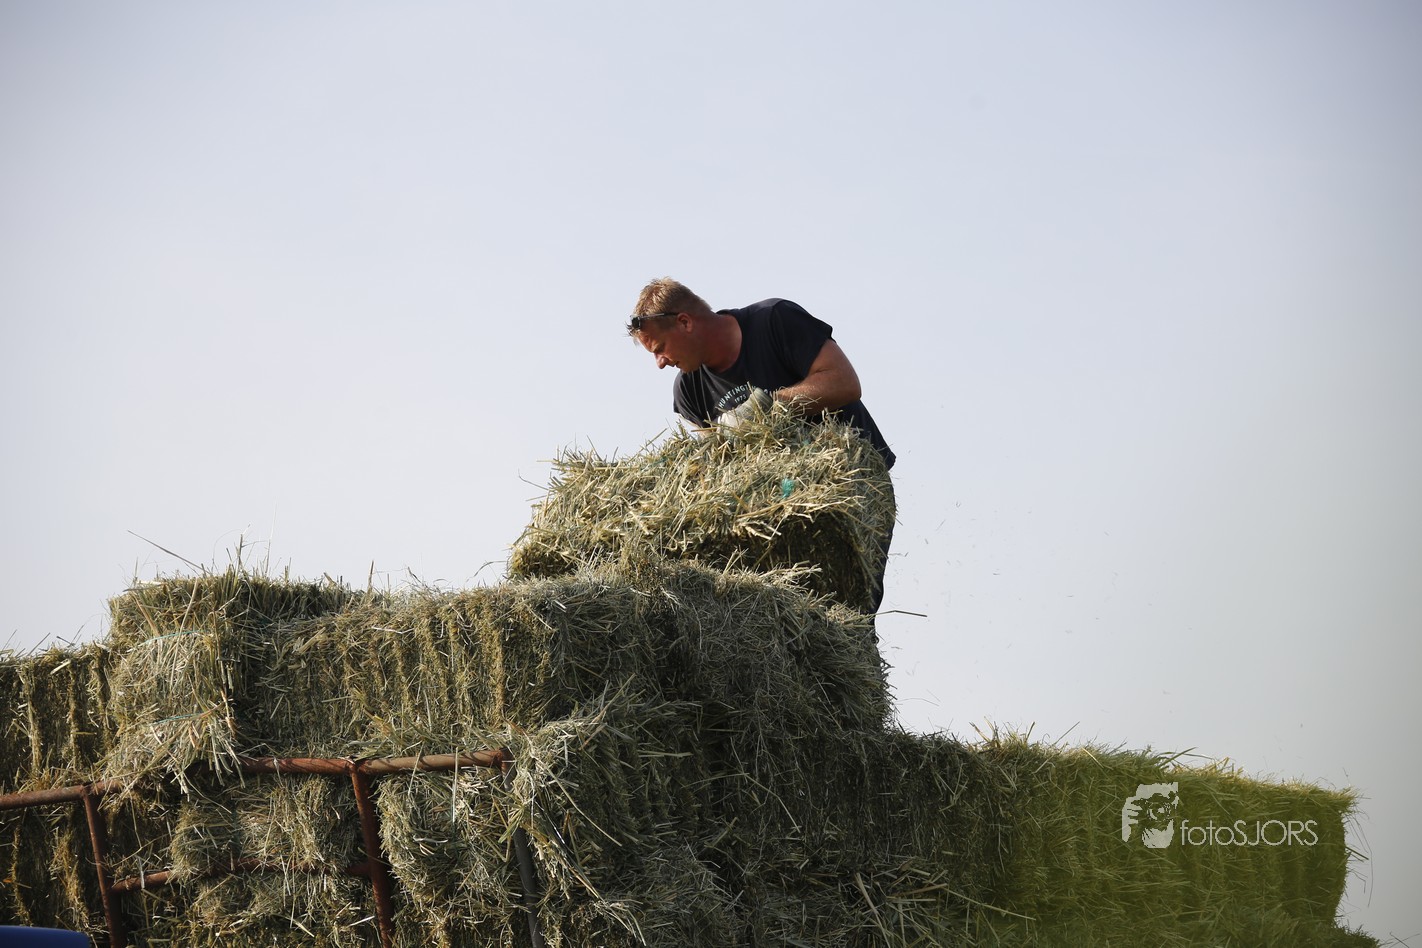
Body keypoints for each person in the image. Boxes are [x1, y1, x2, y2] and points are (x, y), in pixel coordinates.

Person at [627, 277, 895, 610]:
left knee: (850, 613)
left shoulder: (774, 321)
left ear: (684, 322)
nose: (660, 362)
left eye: (659, 348)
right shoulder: (688, 392)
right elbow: (719, 469)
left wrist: (767, 407)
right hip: (778, 509)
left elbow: (844, 382)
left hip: (851, 484)